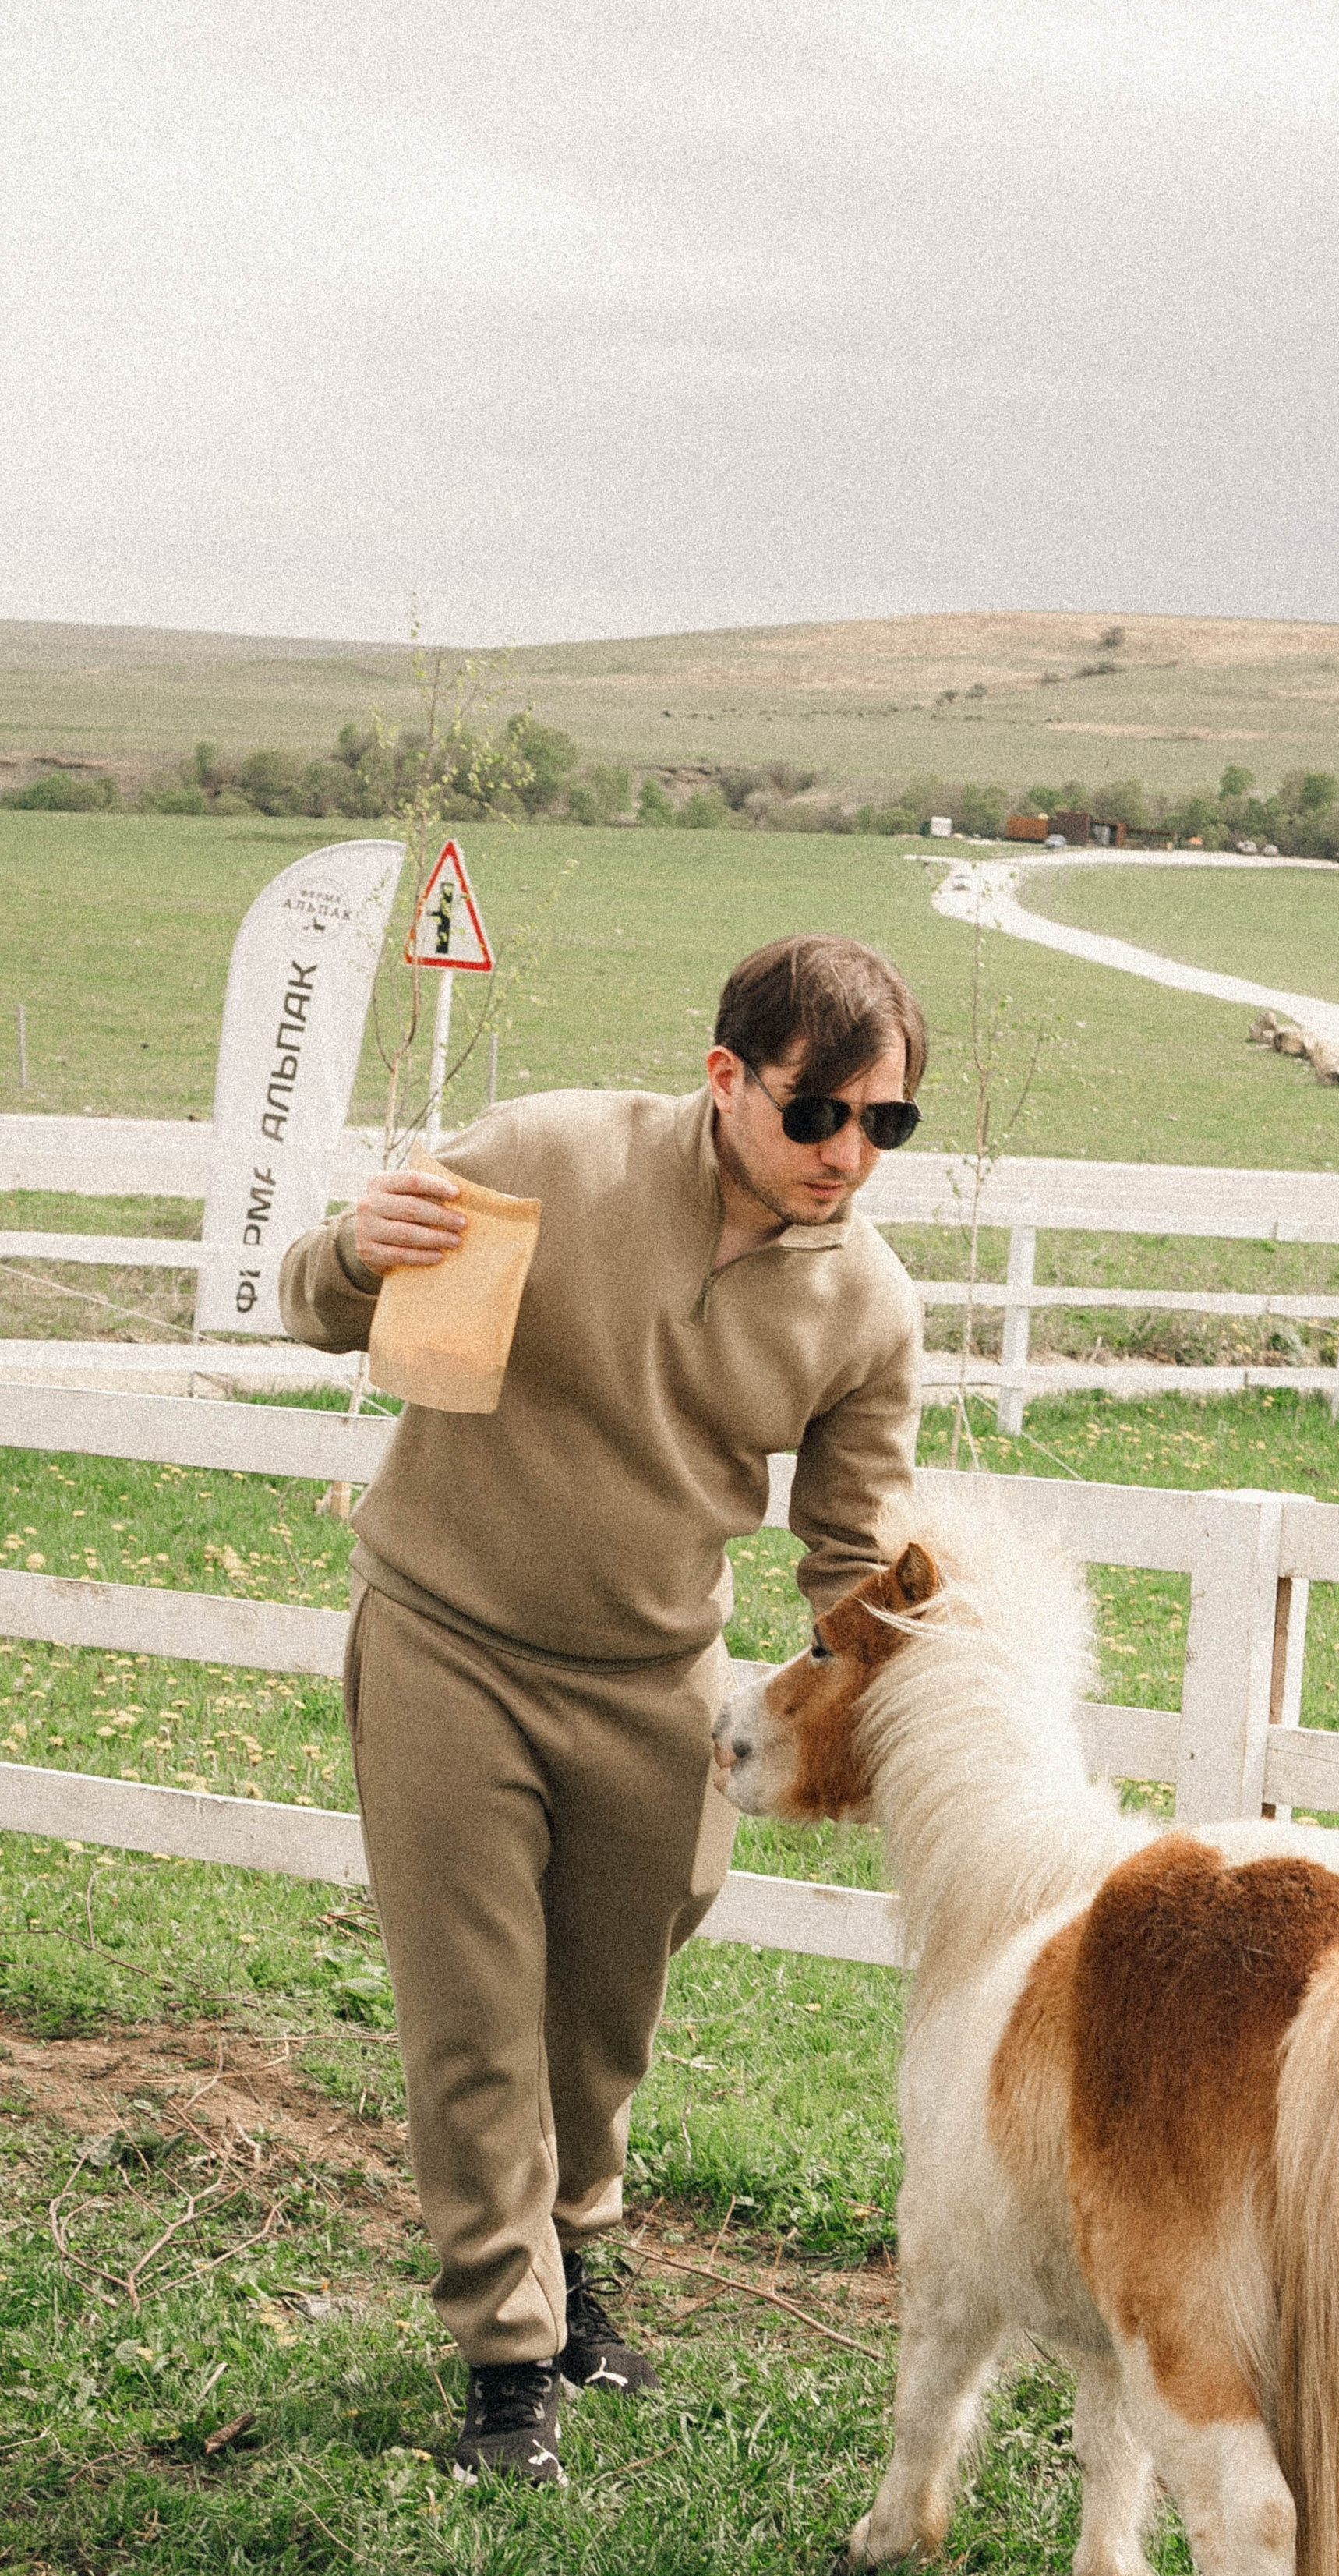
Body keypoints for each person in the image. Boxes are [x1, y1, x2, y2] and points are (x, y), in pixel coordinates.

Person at [280, 935, 927, 2485]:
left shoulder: (865, 1308)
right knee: (477, 2014)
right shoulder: (547, 1159)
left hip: (655, 1679)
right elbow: (320, 1308)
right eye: (815, 1111)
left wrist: (931, 1696)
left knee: (603, 2014)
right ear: (725, 1080)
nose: (846, 1153)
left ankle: (577, 2258)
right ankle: (509, 2368)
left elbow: (855, 1566)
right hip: (449, 1638)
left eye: (882, 1124)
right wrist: (356, 1249)